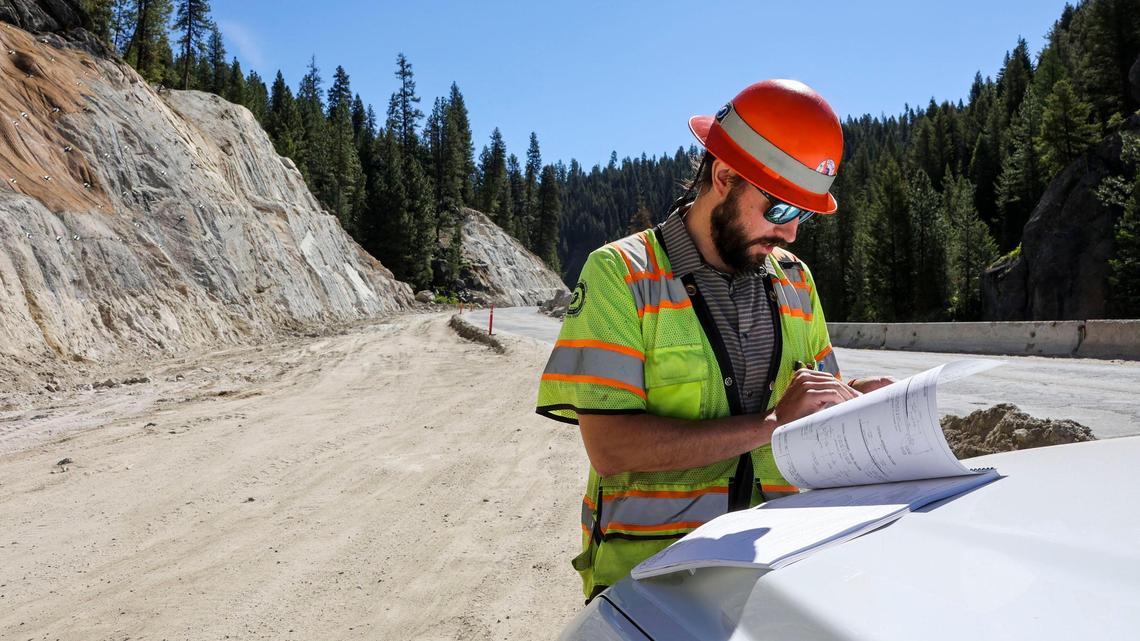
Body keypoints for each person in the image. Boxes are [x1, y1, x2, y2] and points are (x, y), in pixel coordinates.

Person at [534, 79, 894, 601]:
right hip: (650, 581)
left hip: (775, 568)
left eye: (804, 214)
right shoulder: (622, 274)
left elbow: (804, 409)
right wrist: (768, 425)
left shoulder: (794, 279)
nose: (791, 233)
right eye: (782, 210)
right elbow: (609, 446)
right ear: (725, 176)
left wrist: (852, 397)